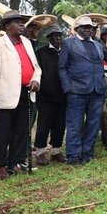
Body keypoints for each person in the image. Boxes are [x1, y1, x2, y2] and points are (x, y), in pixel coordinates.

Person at [0, 10, 42, 179]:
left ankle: (14, 162)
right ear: (7, 26)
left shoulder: (26, 42)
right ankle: (1, 164)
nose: (21, 25)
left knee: (21, 130)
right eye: (17, 22)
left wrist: (36, 80)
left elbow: (36, 67)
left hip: (26, 92)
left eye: (22, 22)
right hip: (5, 94)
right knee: (4, 131)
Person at [58, 16, 106, 165]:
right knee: (75, 125)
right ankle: (73, 156)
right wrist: (68, 87)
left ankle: (87, 154)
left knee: (93, 124)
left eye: (90, 27)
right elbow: (62, 67)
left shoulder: (98, 45)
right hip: (76, 91)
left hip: (97, 91)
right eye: (84, 27)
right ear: (77, 29)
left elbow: (100, 67)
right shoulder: (68, 43)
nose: (88, 29)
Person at [34, 25, 67, 166]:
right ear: (48, 38)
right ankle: (40, 152)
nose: (57, 38)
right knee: (44, 124)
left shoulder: (66, 51)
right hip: (46, 96)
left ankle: (56, 151)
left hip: (63, 95)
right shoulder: (41, 52)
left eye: (59, 35)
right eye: (54, 35)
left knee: (60, 124)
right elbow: (37, 71)